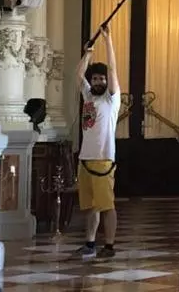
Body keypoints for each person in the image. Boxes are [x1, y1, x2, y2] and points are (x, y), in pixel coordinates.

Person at [73, 26, 120, 260]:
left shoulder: (111, 99)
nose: (99, 81)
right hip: (85, 159)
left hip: (103, 160)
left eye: (102, 78)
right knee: (90, 206)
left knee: (107, 205)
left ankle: (109, 246)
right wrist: (88, 53)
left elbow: (112, 69)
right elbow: (78, 75)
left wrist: (108, 40)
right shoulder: (88, 95)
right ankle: (90, 243)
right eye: (95, 78)